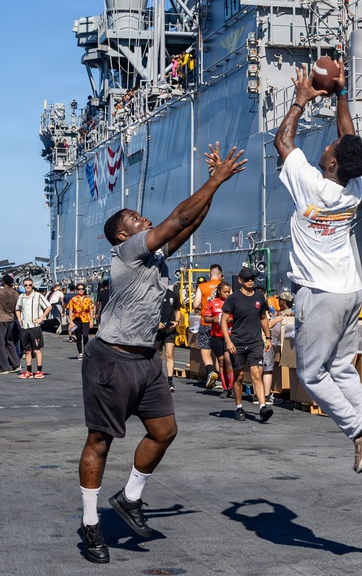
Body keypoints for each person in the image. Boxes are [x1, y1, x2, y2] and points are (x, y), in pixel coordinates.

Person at [76, 142, 245, 564]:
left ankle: (130, 497)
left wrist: (215, 187)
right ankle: (91, 524)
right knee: (100, 440)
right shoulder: (128, 253)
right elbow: (177, 220)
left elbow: (188, 225)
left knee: (164, 431)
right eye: (136, 218)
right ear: (122, 234)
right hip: (111, 359)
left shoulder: (153, 260)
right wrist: (215, 179)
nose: (144, 219)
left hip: (147, 360)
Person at [274, 61, 362, 475]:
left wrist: (300, 101)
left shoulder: (312, 184)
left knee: (310, 372)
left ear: (330, 165)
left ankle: (358, 433)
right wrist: (341, 92)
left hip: (321, 293)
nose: (327, 146)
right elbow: (350, 139)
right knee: (341, 367)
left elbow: (283, 141)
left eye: (327, 151)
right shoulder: (353, 187)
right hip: (350, 291)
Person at [220, 266, 273, 423]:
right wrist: (228, 341)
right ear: (240, 280)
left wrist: (268, 338)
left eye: (252, 279)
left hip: (255, 341)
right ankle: (239, 407)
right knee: (239, 376)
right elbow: (223, 321)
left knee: (257, 373)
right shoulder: (233, 299)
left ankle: (263, 407)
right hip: (237, 342)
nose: (250, 281)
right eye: (247, 279)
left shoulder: (259, 298)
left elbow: (263, 317)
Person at [192, 264, 224, 388]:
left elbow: (195, 304)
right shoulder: (224, 287)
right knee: (219, 354)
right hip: (221, 324)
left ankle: (211, 371)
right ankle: (222, 381)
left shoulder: (202, 286)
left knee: (205, 350)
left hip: (206, 322)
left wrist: (204, 306)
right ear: (220, 275)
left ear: (209, 275)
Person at [16, 277, 51, 378]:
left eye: (30, 285)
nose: (28, 287)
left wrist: (41, 318)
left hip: (35, 327)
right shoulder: (21, 297)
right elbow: (17, 308)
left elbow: (48, 307)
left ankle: (39, 371)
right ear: (23, 286)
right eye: (26, 285)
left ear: (32, 286)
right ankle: (29, 371)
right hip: (24, 327)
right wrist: (19, 319)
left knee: (36, 349)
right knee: (27, 350)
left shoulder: (38, 296)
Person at [265, 291, 294, 405]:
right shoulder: (279, 313)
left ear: (284, 301)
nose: (278, 301)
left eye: (280, 300)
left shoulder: (288, 314)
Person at [204, 282, 232, 399]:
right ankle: (225, 387)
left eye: (228, 292)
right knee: (220, 361)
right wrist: (213, 319)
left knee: (228, 360)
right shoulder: (212, 302)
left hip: (229, 335)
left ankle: (232, 386)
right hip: (216, 335)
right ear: (219, 291)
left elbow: (237, 316)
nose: (227, 294)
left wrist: (230, 319)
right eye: (225, 292)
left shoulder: (232, 303)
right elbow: (206, 318)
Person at [156, 287, 181, 392]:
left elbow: (178, 309)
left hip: (170, 329)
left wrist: (177, 321)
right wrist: (156, 322)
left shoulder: (172, 295)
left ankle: (170, 381)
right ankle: (157, 379)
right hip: (156, 330)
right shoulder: (154, 293)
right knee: (158, 355)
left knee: (169, 354)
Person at [67, 284, 95, 360]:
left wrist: (92, 321)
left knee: (85, 335)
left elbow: (91, 310)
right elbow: (70, 310)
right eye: (79, 289)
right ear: (77, 290)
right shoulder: (73, 299)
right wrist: (71, 322)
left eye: (82, 289)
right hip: (77, 319)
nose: (81, 290)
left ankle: (86, 351)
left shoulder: (88, 299)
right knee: (78, 337)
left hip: (86, 319)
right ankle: (80, 353)